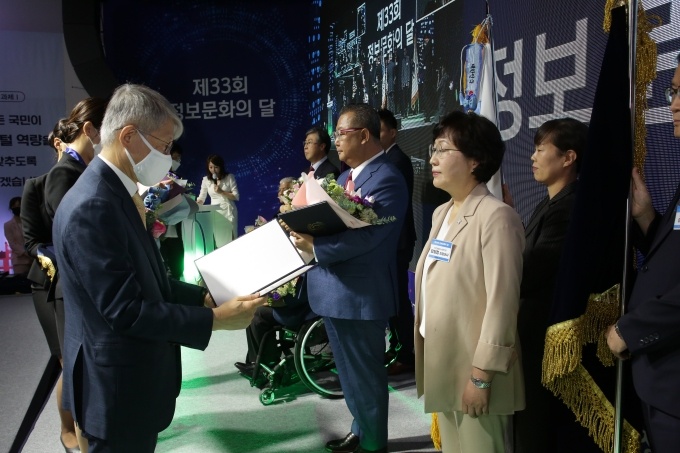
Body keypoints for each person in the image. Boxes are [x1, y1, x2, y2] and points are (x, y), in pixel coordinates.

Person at [52, 83, 265, 452]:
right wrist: (215, 320)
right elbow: (125, 310)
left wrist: (204, 298)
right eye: (164, 146)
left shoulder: (115, 192)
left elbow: (147, 278)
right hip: (115, 387)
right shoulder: (94, 205)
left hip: (129, 381)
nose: (168, 157)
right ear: (129, 136)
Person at [292, 103, 407, 453]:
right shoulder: (343, 179)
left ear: (364, 135)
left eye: (341, 133)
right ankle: (360, 430)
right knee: (348, 373)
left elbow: (371, 236)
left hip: (360, 294)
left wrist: (316, 247)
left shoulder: (388, 178)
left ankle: (373, 444)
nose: (336, 141)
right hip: (333, 291)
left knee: (366, 375)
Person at [414, 111, 525, 453]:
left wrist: (481, 376)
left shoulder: (496, 217)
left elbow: (502, 303)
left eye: (443, 149)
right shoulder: (442, 212)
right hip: (444, 362)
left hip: (475, 370)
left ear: (475, 160)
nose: (433, 159)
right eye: (433, 149)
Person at [606, 53, 680, 453]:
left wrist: (630, 330)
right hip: (661, 379)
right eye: (673, 92)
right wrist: (648, 218)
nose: (675, 104)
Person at [514, 118, 594, 453]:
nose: (532, 157)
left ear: (568, 157)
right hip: (533, 332)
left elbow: (533, 270)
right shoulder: (549, 203)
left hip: (544, 335)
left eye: (541, 149)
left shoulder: (569, 207)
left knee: (537, 426)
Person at [377, 109, 417, 375]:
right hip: (391, 242)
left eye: (380, 131)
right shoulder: (386, 160)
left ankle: (406, 354)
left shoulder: (397, 161)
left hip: (398, 242)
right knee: (392, 298)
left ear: (392, 133)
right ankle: (397, 347)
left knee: (400, 300)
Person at [196, 154, 239, 246]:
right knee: (220, 241)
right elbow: (201, 198)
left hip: (228, 211)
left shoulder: (229, 177)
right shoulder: (206, 180)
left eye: (216, 167)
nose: (213, 170)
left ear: (220, 167)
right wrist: (197, 203)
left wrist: (222, 192)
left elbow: (236, 196)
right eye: (211, 167)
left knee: (231, 239)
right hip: (216, 213)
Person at [4, 196, 33, 276]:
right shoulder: (8, 225)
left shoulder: (30, 223)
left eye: (19, 205)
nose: (17, 208)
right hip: (19, 260)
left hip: (34, 259)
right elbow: (12, 243)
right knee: (20, 282)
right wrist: (26, 253)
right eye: (14, 206)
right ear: (11, 208)